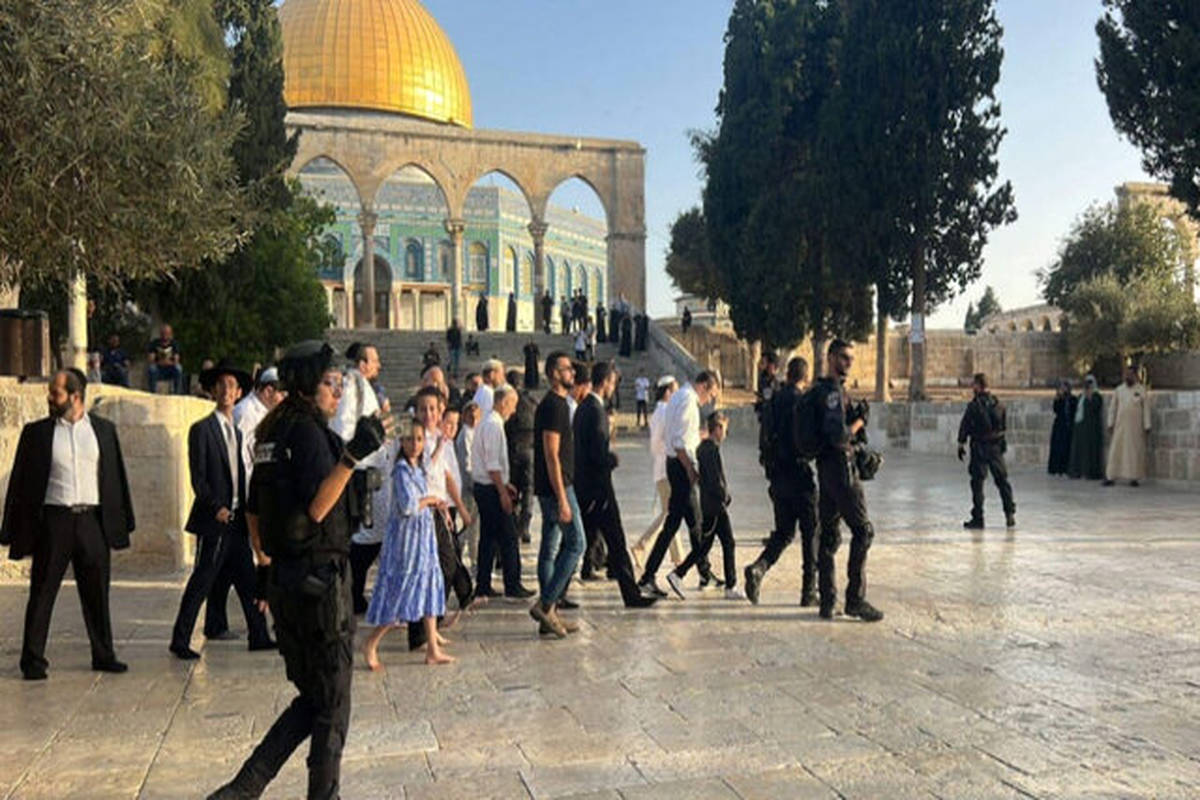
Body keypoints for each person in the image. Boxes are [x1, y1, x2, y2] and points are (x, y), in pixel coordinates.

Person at [206, 341, 385, 799]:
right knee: (333, 706)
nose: (338, 393)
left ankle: (243, 788)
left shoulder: (272, 431)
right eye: (329, 383)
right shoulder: (306, 434)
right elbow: (318, 508)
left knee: (314, 699)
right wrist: (352, 456)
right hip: (319, 585)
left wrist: (266, 564)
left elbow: (253, 510)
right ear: (307, 385)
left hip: (288, 582)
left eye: (340, 384)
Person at [2, 368, 133, 680]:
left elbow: (115, 477)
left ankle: (104, 655)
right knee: (42, 593)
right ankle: (32, 660)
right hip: (54, 521)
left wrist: (121, 521)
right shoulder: (37, 433)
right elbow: (20, 482)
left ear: (75, 396)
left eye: (56, 393)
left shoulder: (103, 431)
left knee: (97, 593)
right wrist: (13, 528)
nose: (50, 398)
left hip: (92, 521)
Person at [169, 360, 274, 659]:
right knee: (202, 580)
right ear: (213, 391)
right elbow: (198, 477)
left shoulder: (236, 433)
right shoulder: (201, 430)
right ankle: (180, 639)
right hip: (215, 521)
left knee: (248, 580)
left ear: (239, 393)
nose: (227, 391)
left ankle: (259, 634)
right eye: (221, 386)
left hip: (237, 521)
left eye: (232, 386)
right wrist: (215, 507)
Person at [362, 417, 455, 669]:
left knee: (428, 587)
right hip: (406, 542)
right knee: (401, 592)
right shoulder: (401, 470)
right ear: (401, 442)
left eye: (419, 439)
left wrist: (436, 502)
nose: (415, 444)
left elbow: (429, 477)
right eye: (409, 439)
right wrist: (431, 500)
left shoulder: (418, 468)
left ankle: (432, 648)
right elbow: (408, 506)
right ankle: (371, 642)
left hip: (423, 538)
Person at [574, 361, 660, 608]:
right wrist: (611, 459)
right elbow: (595, 453)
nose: (613, 388)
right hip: (598, 489)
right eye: (612, 383)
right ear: (605, 383)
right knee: (615, 540)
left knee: (580, 542)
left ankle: (553, 593)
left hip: (586, 487)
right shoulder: (595, 410)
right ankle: (631, 595)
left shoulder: (583, 408)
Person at [810, 339, 883, 622]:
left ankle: (828, 601)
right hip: (841, 469)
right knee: (863, 531)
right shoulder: (831, 394)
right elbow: (838, 436)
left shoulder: (825, 391)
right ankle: (855, 599)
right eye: (843, 357)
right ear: (830, 358)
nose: (848, 362)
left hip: (827, 469)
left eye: (851, 358)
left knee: (829, 535)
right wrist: (859, 422)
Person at [637, 371, 722, 595]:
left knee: (685, 523)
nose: (709, 400)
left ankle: (701, 573)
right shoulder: (688, 402)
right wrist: (691, 471)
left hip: (675, 465)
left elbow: (680, 436)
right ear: (704, 386)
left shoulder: (678, 396)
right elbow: (679, 442)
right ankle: (668, 575)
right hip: (682, 467)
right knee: (689, 524)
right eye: (710, 394)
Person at [743, 357, 818, 606]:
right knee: (811, 532)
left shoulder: (773, 400)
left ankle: (758, 568)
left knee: (784, 532)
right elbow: (806, 441)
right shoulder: (801, 402)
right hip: (798, 474)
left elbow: (763, 437)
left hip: (776, 475)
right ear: (805, 377)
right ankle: (809, 591)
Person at [406, 388, 476, 651]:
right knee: (425, 570)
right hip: (421, 513)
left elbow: (446, 477)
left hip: (438, 510)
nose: (428, 414)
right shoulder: (415, 438)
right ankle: (420, 631)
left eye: (433, 409)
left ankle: (432, 623)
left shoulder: (440, 437)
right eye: (423, 409)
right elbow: (420, 474)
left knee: (445, 565)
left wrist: (458, 508)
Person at [530, 352, 586, 637]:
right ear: (554, 373)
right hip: (558, 487)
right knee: (576, 543)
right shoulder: (554, 406)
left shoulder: (558, 404)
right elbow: (551, 454)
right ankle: (546, 604)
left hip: (553, 486)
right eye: (567, 369)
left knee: (550, 547)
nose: (572, 373)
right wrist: (562, 497)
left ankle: (549, 615)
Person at [333, 343, 389, 616]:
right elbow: (344, 427)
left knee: (372, 532)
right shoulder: (352, 387)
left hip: (370, 469)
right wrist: (352, 458)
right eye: (374, 360)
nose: (379, 365)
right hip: (359, 470)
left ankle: (354, 591)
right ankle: (351, 593)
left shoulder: (364, 386)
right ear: (362, 364)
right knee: (364, 534)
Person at [664, 412, 741, 599]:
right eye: (724, 429)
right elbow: (715, 480)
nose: (725, 433)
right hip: (715, 506)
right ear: (718, 428)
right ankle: (731, 586)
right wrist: (725, 496)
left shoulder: (704, 448)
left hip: (709, 504)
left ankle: (678, 574)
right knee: (728, 543)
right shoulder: (710, 450)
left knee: (704, 546)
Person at [470, 385, 533, 599]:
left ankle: (483, 584)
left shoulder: (489, 422)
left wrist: (505, 484)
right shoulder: (493, 425)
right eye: (513, 405)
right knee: (508, 537)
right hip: (490, 489)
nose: (514, 411)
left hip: (488, 486)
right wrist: (502, 492)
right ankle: (512, 584)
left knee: (488, 538)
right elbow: (492, 464)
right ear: (504, 402)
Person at [631, 377, 681, 568]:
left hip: (664, 467)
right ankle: (642, 545)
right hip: (666, 468)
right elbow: (660, 443)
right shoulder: (665, 412)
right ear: (667, 392)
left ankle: (677, 557)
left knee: (671, 513)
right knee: (670, 514)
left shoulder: (662, 412)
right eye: (675, 390)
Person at [957, 373, 1016, 529]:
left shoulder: (974, 406)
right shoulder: (999, 404)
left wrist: (961, 444)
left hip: (979, 447)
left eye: (974, 384)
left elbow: (965, 425)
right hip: (995, 447)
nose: (972, 387)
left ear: (978, 385)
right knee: (1002, 481)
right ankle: (1009, 513)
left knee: (977, 483)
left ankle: (978, 518)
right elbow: (1003, 426)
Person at [1104, 365, 1152, 487]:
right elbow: (1113, 408)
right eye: (1127, 374)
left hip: (1135, 428)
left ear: (1135, 376)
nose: (1128, 377)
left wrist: (1147, 425)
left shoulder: (1141, 390)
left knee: (1134, 453)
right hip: (1120, 427)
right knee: (1116, 451)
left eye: (1131, 375)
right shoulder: (1119, 390)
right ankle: (1110, 476)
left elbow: (1146, 409)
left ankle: (1133, 477)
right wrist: (1110, 423)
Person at [505, 369, 537, 545]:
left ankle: (514, 524)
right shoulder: (531, 401)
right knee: (528, 490)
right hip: (530, 449)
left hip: (513, 449)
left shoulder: (508, 401)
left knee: (513, 489)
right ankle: (524, 526)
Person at [455, 402, 482, 566]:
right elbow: (466, 463)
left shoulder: (474, 433)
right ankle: (470, 559)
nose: (474, 420)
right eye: (471, 417)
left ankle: (473, 558)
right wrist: (475, 482)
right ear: (464, 417)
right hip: (469, 486)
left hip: (474, 483)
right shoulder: (465, 434)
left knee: (473, 525)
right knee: (470, 525)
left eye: (477, 417)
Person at [1068, 375, 1105, 480]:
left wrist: (1090, 397)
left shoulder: (1097, 396)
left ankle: (1090, 473)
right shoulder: (1081, 396)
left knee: (1090, 452)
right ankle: (1078, 471)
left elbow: (1096, 408)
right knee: (1078, 450)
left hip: (1091, 429)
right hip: (1080, 427)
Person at [1048, 379, 1076, 476]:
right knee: (1057, 447)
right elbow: (1056, 410)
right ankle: (1056, 468)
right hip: (1059, 426)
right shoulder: (1058, 399)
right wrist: (1059, 398)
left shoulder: (1072, 399)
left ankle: (1065, 468)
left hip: (1068, 425)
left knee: (1066, 447)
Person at [147, 324, 183, 394]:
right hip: (158, 369)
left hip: (170, 369)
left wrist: (167, 363)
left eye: (167, 333)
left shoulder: (174, 344)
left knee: (178, 368)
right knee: (152, 368)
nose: (165, 335)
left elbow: (176, 360)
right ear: (160, 333)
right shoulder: (154, 343)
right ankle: (152, 392)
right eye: (163, 333)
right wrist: (162, 363)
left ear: (170, 334)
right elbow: (151, 359)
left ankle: (177, 392)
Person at [755, 353, 779, 421]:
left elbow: (767, 397)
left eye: (763, 363)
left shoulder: (773, 381)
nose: (760, 365)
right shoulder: (764, 378)